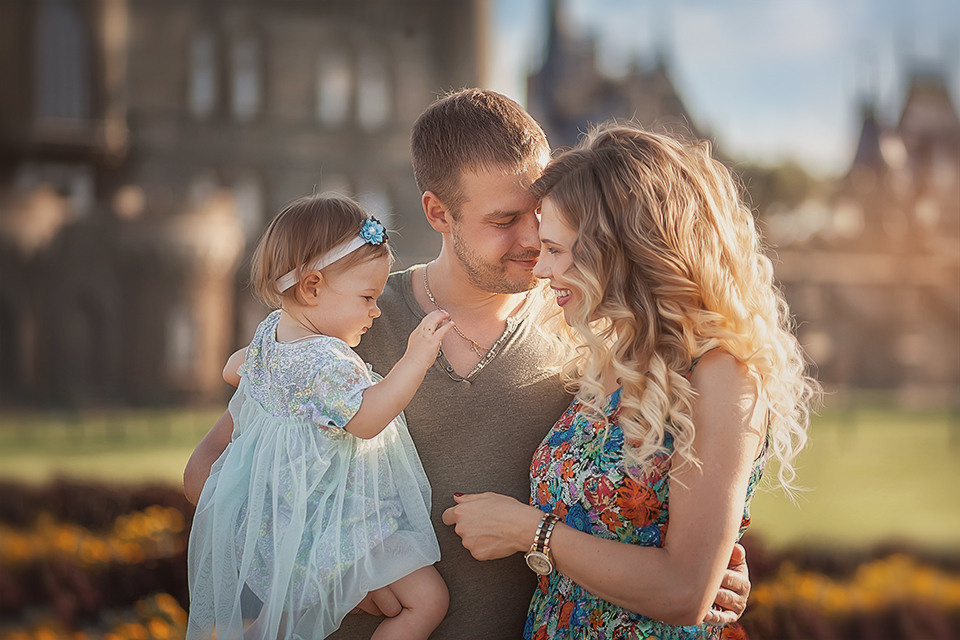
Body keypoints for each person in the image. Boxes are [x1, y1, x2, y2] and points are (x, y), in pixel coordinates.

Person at [183, 89, 752, 638]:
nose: (532, 239)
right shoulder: (349, 324)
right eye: (504, 221)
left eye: (541, 216)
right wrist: (317, 572)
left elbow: (643, 513)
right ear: (438, 212)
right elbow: (208, 471)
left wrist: (696, 572)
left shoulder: (586, 336)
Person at [441, 122, 819, 639]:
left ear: (613, 249)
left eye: (555, 249)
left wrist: (528, 530)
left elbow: (685, 592)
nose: (541, 268)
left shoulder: (721, 377)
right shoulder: (611, 360)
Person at [186, 195, 452, 640]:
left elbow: (234, 368)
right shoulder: (327, 362)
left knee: (284, 623)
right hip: (345, 523)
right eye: (367, 296)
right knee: (428, 601)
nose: (376, 310)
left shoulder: (272, 332)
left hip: (287, 528)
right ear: (311, 287)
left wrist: (268, 383)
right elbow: (367, 420)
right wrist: (415, 359)